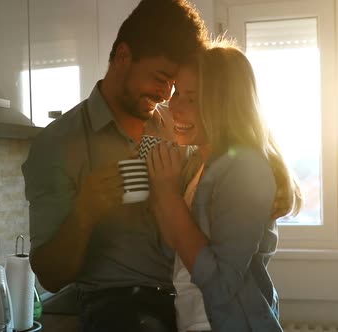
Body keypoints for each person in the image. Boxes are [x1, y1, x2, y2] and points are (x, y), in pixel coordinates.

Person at [21, 1, 208, 331]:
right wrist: (86, 211)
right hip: (119, 306)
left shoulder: (177, 126)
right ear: (123, 56)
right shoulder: (58, 144)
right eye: (160, 78)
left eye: (174, 86)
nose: (166, 94)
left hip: (191, 296)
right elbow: (49, 276)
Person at [146, 40, 302, 332]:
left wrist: (168, 194)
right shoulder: (198, 165)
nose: (174, 105)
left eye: (191, 98)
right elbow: (174, 249)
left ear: (223, 106)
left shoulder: (245, 168)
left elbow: (220, 284)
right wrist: (160, 187)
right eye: (177, 92)